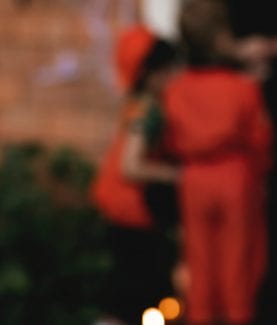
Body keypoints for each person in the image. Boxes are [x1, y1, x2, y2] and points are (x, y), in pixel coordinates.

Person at [155, 0, 272, 323]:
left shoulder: (175, 90)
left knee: (200, 264)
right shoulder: (243, 88)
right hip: (236, 177)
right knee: (238, 266)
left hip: (193, 179)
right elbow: (261, 140)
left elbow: (170, 140)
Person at [92, 25, 179, 324]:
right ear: (150, 74)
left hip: (122, 210)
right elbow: (131, 165)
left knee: (127, 293)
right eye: (167, 71)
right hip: (133, 212)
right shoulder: (148, 110)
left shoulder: (135, 104)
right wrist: (175, 174)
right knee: (133, 297)